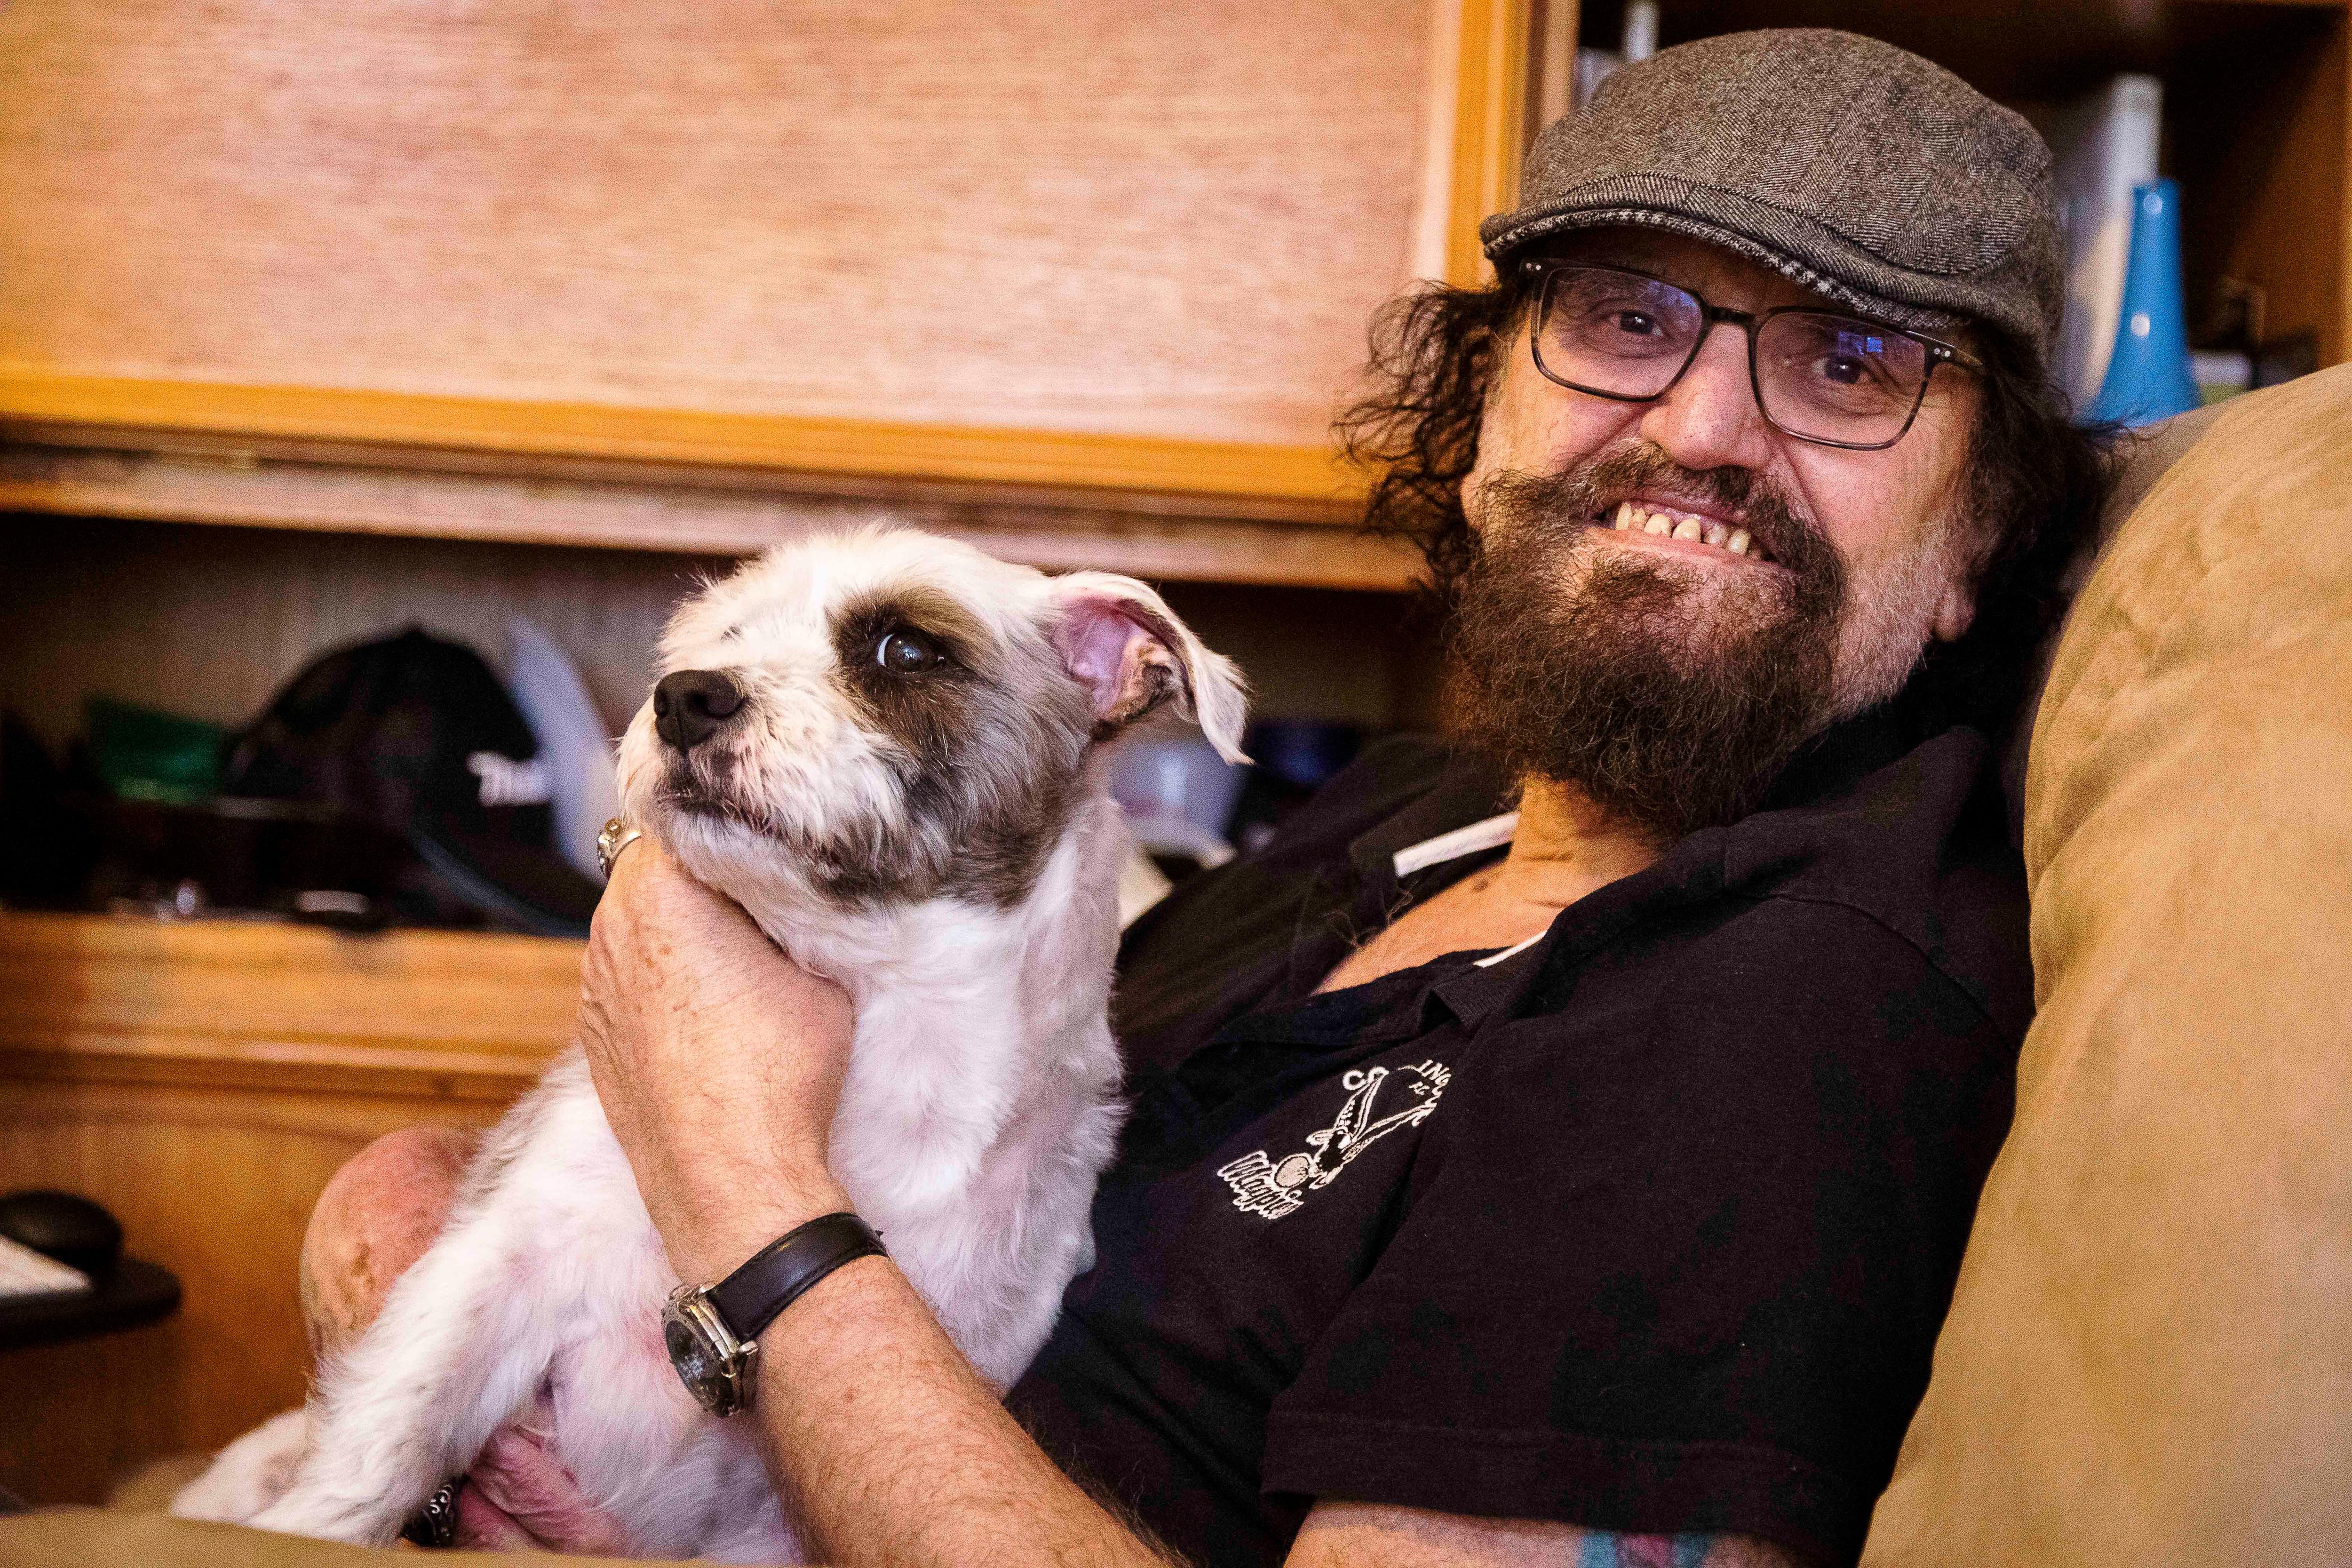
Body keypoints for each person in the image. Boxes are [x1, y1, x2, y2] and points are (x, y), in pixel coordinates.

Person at [297, 29, 2114, 1568]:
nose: (1703, 432)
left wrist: (738, 1190)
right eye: (1625, 320)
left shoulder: (1783, 999)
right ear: (1482, 426)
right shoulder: (1418, 817)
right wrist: (423, 1277)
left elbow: (750, 1169)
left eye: (1851, 364)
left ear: (1980, 536)